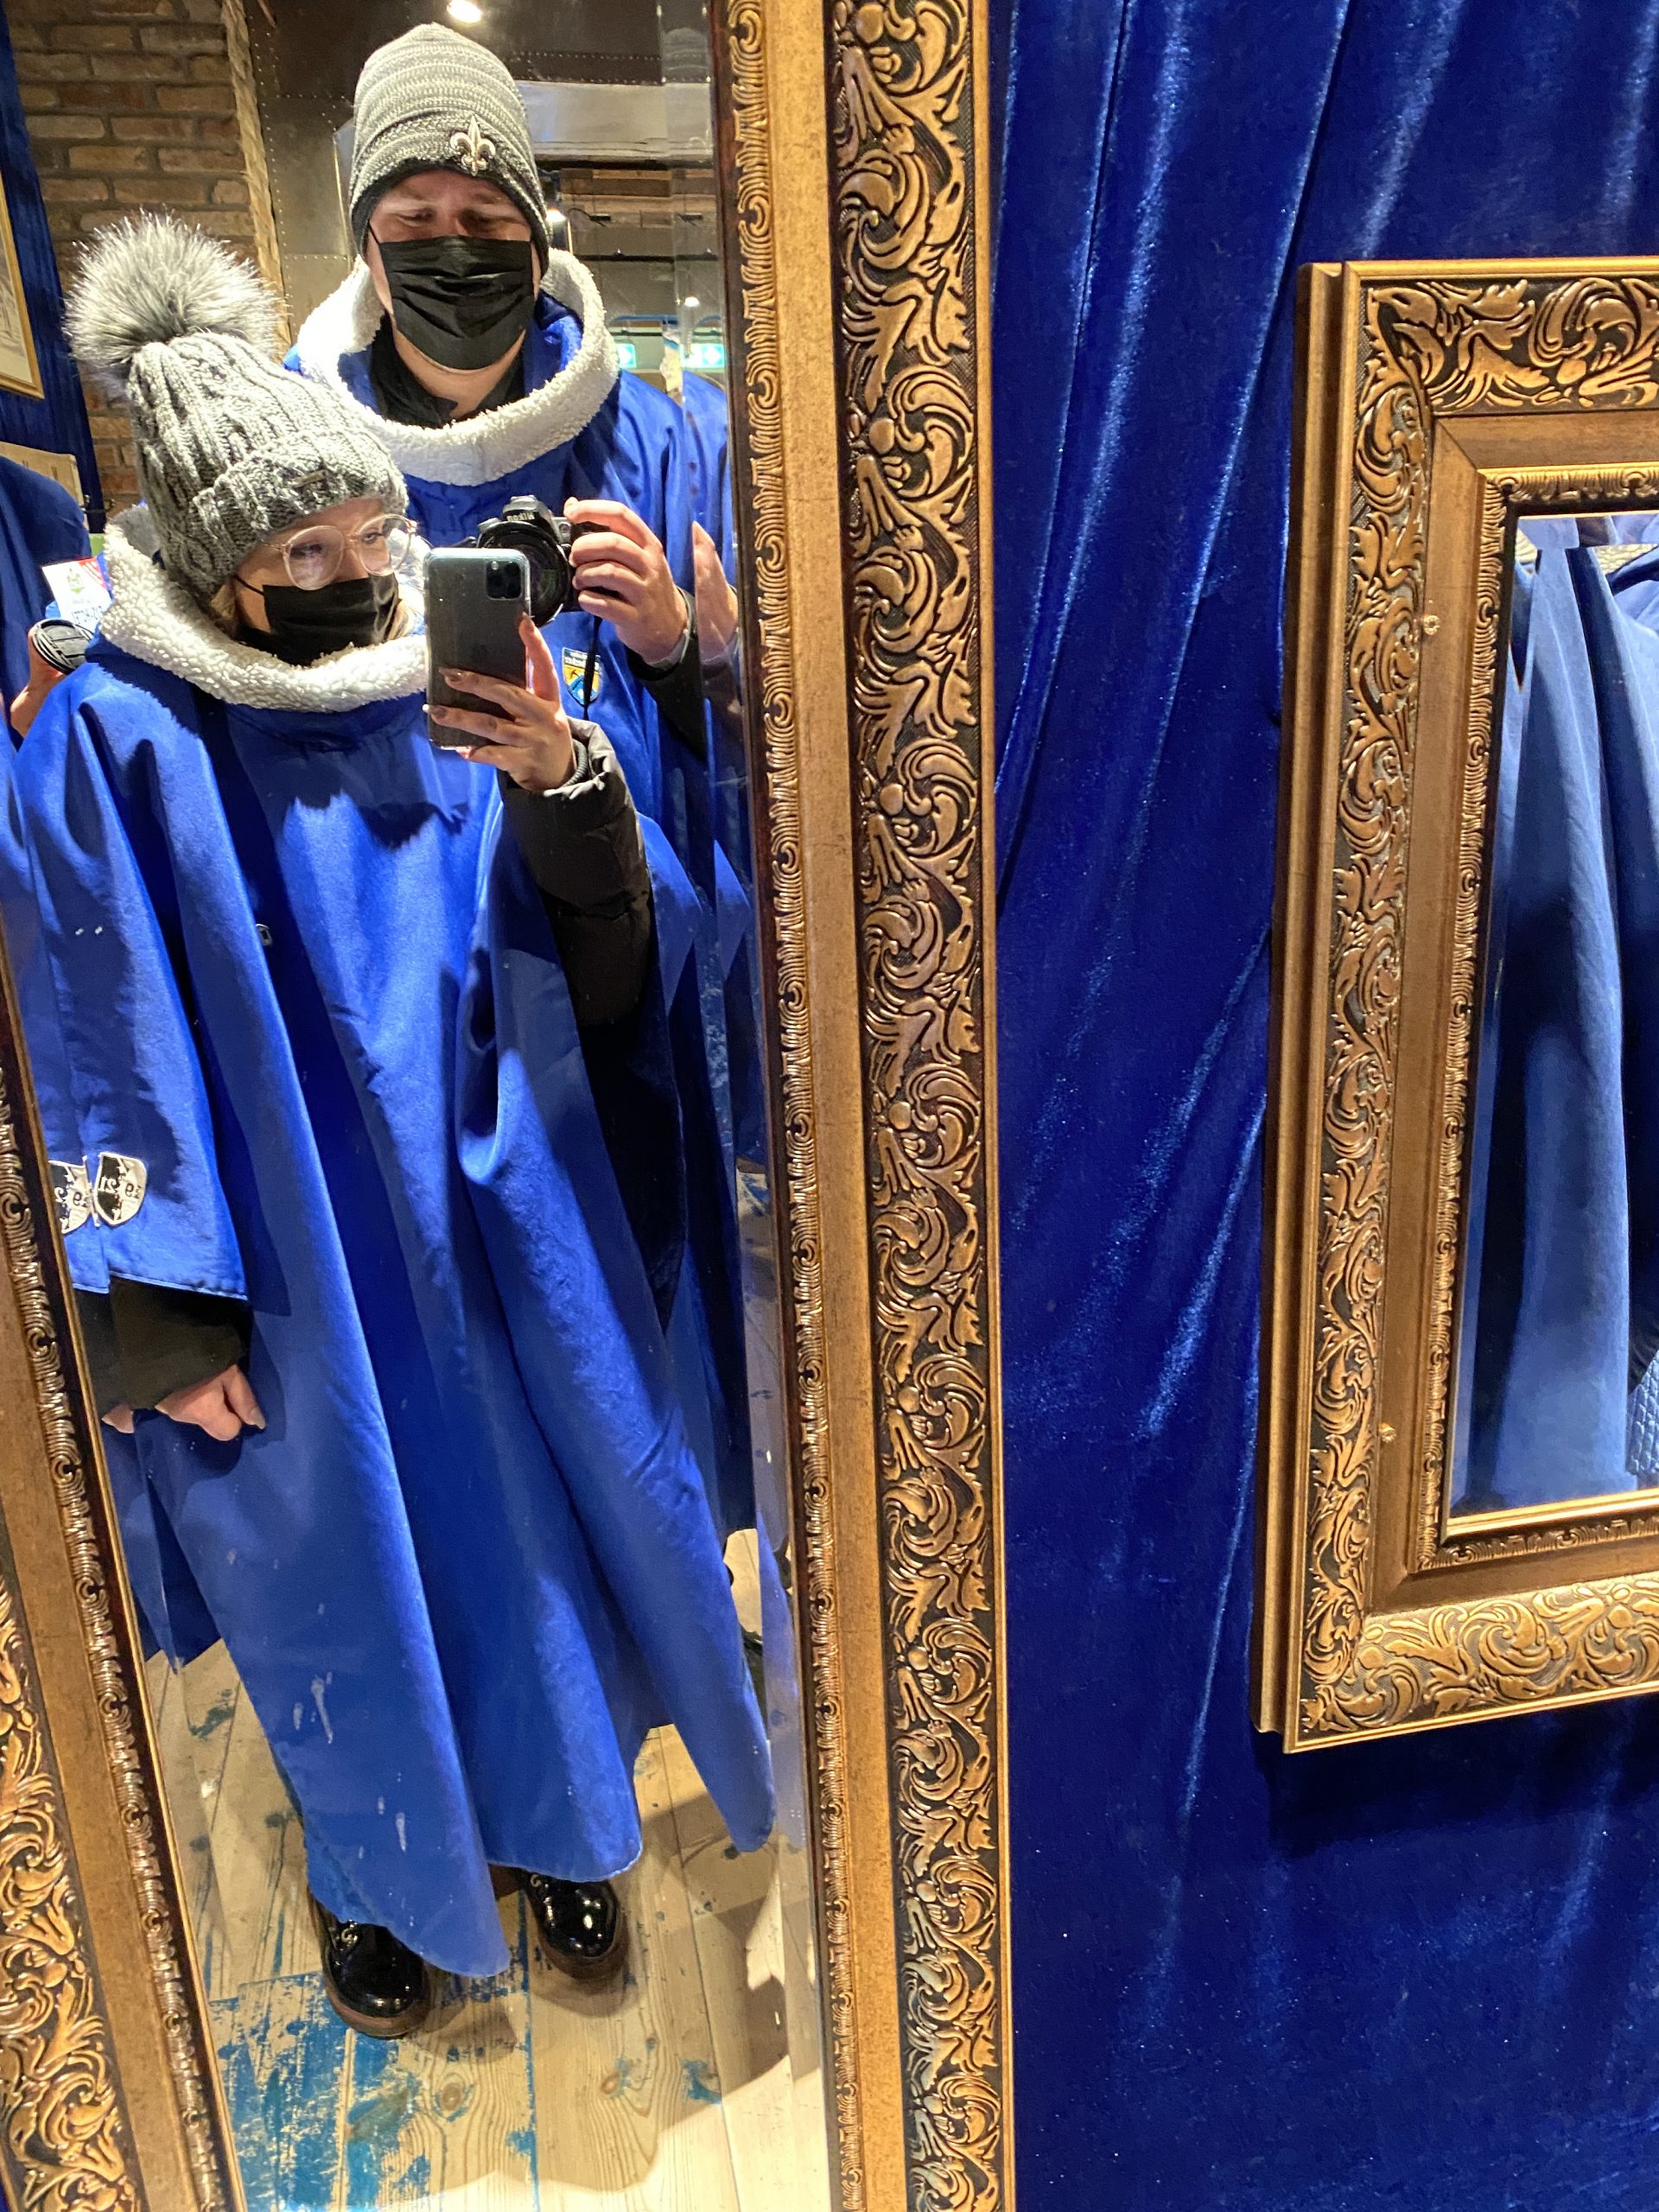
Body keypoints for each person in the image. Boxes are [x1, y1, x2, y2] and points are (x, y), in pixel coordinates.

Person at [17, 214, 771, 2037]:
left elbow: (617, 955)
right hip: (285, 1257)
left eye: (371, 533)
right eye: (305, 550)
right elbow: (97, 1023)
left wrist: (569, 779)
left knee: (528, 1537)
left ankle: (570, 1826)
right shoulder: (117, 732)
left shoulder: (440, 683)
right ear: (218, 564)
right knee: (333, 1563)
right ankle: (376, 1875)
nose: (354, 573)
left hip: (487, 1214)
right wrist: (159, 1313)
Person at [289, 24, 754, 1541]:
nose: (452, 248)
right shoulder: (303, 455)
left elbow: (766, 741)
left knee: (640, 1333)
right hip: (398, 981)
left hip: (624, 962)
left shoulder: (658, 437)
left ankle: (666, 1593)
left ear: (538, 232)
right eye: (414, 217)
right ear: (366, 242)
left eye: (485, 216)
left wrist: (679, 648)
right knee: (463, 1378)